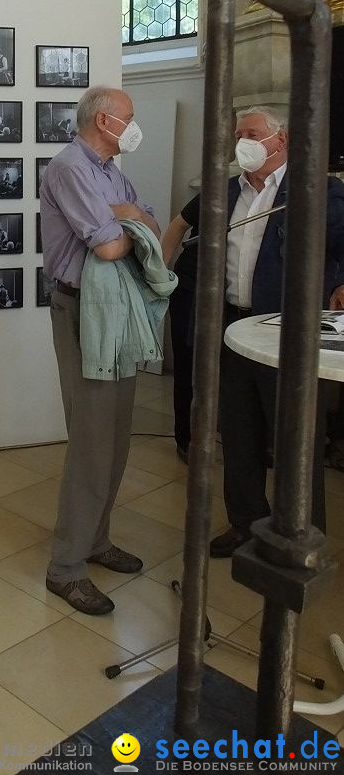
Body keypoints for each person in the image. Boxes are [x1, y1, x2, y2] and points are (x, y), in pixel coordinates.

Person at [40, 85, 159, 615]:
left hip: (117, 309)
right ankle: (65, 568)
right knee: (91, 440)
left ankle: (96, 539)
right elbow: (110, 244)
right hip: (81, 310)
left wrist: (126, 213)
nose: (135, 126)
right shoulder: (69, 166)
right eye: (129, 117)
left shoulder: (110, 170)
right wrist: (128, 220)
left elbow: (147, 220)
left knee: (116, 434)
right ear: (105, 121)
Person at [209, 105, 344, 557]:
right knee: (239, 430)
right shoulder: (228, 192)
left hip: (284, 332)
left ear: (281, 139)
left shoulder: (316, 189)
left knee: (293, 440)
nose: (241, 142)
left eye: (251, 133)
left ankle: (299, 536)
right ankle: (244, 521)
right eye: (237, 135)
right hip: (232, 327)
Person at [160, 193, 200, 464]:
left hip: (239, 300)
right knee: (187, 368)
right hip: (192, 287)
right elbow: (178, 225)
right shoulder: (228, 188)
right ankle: (185, 439)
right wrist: (158, 271)